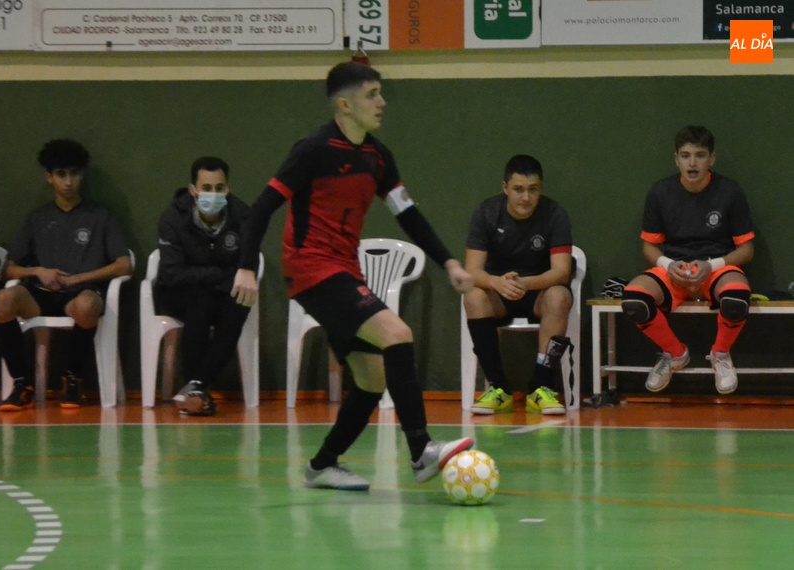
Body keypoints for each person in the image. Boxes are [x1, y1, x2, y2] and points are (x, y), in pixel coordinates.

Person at [231, 62, 475, 491]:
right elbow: (262, 208)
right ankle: (421, 451)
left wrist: (449, 262)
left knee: (371, 378)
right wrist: (246, 266)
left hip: (344, 269)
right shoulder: (314, 148)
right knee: (397, 334)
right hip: (311, 268)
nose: (382, 103)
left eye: (381, 93)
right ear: (345, 105)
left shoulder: (378, 156)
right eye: (371, 94)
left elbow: (408, 214)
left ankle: (322, 465)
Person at [0, 139, 132, 411]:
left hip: (79, 293)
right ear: (49, 177)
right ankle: (22, 384)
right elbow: (8, 269)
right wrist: (37, 271)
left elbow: (125, 265)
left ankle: (73, 379)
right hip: (41, 294)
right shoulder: (37, 218)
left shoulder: (101, 215)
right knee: (3, 300)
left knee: (88, 305)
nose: (68, 182)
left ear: (82, 174)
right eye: (61, 174)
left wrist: (77, 279)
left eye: (74, 173)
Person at [620, 125, 754, 395]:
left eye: (700, 155)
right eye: (685, 155)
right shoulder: (660, 192)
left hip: (715, 269)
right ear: (676, 159)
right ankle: (675, 353)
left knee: (737, 297)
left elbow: (747, 250)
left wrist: (712, 265)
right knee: (634, 299)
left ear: (711, 159)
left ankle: (720, 354)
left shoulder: (730, 191)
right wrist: (667, 265)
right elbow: (649, 246)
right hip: (675, 270)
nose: (692, 163)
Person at [464, 155, 574, 416]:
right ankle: (499, 389)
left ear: (540, 189)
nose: (526, 197)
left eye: (533, 189)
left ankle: (541, 387)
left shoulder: (555, 214)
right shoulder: (486, 213)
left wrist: (525, 283)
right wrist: (496, 282)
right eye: (518, 189)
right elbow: (471, 271)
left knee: (560, 296)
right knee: (473, 297)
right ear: (505, 188)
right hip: (499, 294)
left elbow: (561, 272)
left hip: (538, 293)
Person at [155, 156, 254, 416]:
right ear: (193, 190)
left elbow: (246, 266)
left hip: (222, 293)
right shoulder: (172, 218)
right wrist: (219, 273)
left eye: (219, 188)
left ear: (228, 189)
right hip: (178, 294)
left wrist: (220, 277)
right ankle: (196, 385)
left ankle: (195, 387)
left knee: (240, 304)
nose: (213, 194)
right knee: (199, 303)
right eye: (206, 188)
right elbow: (172, 274)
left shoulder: (242, 216)